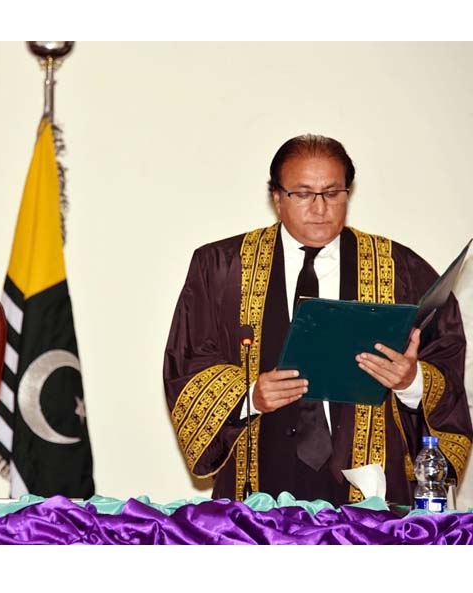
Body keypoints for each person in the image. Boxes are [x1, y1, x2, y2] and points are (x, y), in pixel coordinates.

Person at [163, 134, 472, 506]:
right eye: (303, 193)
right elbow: (188, 361)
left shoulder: (400, 268)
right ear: (277, 198)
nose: (320, 207)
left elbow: (446, 357)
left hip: (370, 483)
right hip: (259, 479)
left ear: (348, 193)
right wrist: (249, 396)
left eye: (332, 192)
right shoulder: (221, 268)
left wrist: (412, 381)